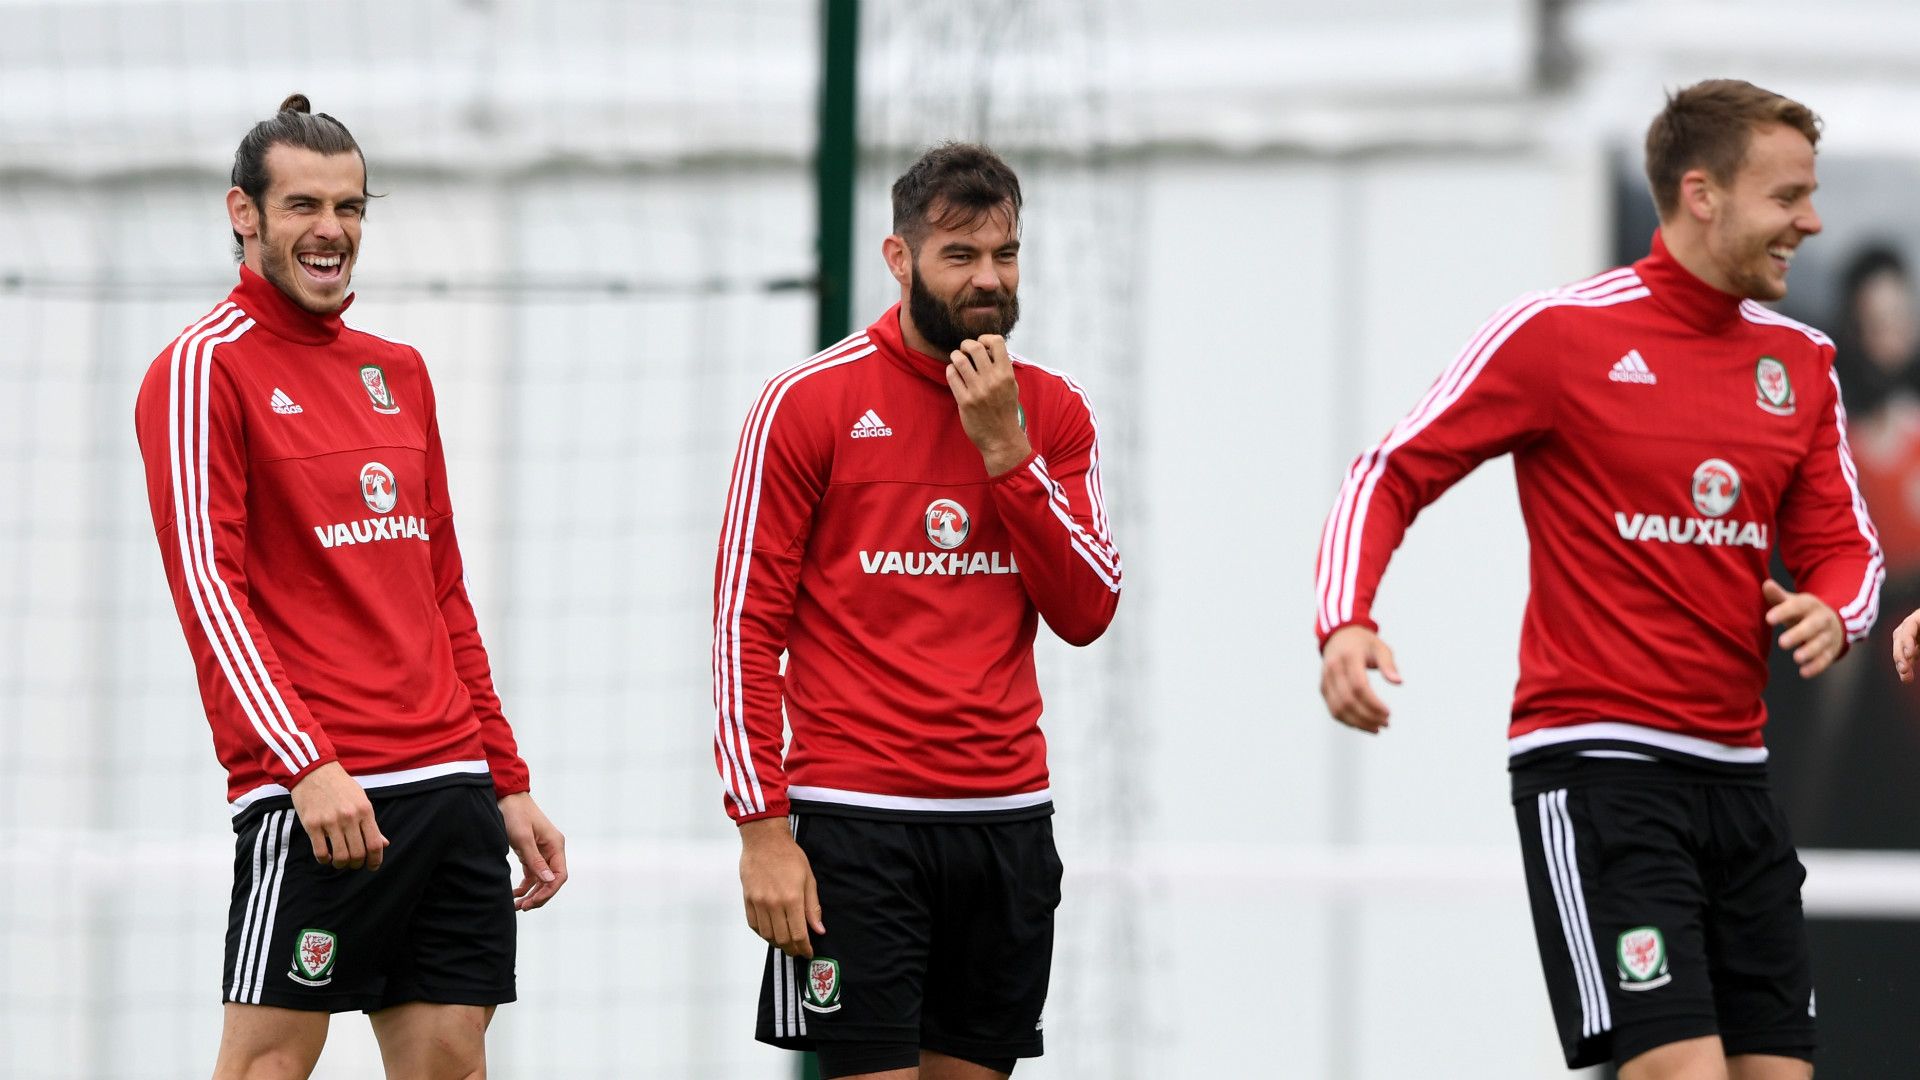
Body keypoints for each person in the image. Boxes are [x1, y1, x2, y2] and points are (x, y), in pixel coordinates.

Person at [1314, 80, 1882, 1079]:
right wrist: (1345, 619)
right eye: (1787, 196)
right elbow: (1391, 470)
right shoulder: (1560, 336)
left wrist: (1835, 611)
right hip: (1602, 772)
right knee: (1680, 1072)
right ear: (1701, 194)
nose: (1812, 220)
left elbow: (1848, 551)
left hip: (1739, 781)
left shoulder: (1802, 364)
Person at [132, 94, 567, 1080]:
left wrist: (505, 777)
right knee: (269, 1065)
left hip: (449, 785)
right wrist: (305, 764)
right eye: (303, 207)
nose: (332, 231)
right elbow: (210, 589)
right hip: (321, 792)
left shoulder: (400, 372)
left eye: (351, 207)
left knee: (452, 1058)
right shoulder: (202, 369)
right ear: (243, 213)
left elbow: (442, 592)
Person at [712, 142, 1121, 1080]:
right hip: (857, 822)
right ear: (899, 261)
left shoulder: (1052, 412)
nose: (989, 280)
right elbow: (745, 625)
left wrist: (1008, 455)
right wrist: (762, 830)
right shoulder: (806, 403)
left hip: (1006, 821)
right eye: (960, 256)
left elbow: (1088, 610)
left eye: (1005, 255)